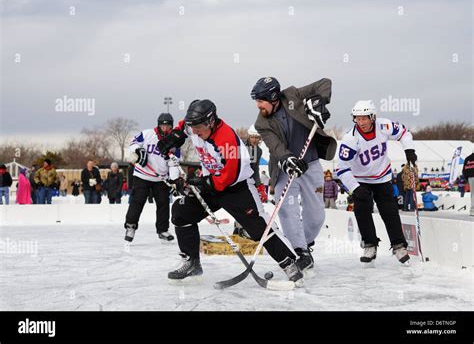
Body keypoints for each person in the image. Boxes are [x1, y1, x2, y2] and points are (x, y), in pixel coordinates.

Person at [157, 99, 304, 285]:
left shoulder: (226, 140)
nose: (194, 132)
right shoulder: (195, 126)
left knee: (258, 227)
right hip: (210, 184)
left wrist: (200, 181)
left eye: (198, 128)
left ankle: (289, 262)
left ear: (210, 122)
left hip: (237, 187)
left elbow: (227, 177)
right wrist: (174, 136)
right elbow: (184, 127)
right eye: (191, 127)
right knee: (181, 212)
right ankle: (191, 261)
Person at [251, 76, 337, 273]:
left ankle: (303, 244)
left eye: (260, 101)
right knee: (288, 211)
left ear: (273, 97)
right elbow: (276, 147)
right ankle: (300, 252)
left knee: (316, 217)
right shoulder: (261, 122)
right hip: (284, 169)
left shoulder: (293, 95)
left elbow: (324, 83)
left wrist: (318, 101)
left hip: (312, 163)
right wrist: (287, 160)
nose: (258, 106)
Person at [336, 100, 417, 265]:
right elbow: (342, 168)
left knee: (389, 211)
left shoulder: (383, 126)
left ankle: (399, 245)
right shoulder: (350, 139)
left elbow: (404, 133)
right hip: (360, 179)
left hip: (383, 176)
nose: (361, 122)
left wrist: (409, 149)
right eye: (357, 119)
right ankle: (370, 244)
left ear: (372, 117)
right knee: (362, 211)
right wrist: (354, 188)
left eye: (365, 118)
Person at [124, 112, 178, 243]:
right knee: (137, 201)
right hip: (142, 175)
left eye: (168, 126)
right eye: (163, 126)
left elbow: (174, 162)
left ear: (171, 127)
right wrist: (139, 150)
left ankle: (162, 230)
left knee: (163, 204)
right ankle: (130, 227)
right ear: (158, 125)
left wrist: (174, 179)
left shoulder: (174, 140)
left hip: (160, 178)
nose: (165, 129)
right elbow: (132, 144)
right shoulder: (148, 134)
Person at [462, 152, 474, 216]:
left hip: (470, 178)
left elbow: (464, 171)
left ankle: (472, 211)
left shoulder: (467, 158)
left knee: (473, 194)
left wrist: (467, 178)